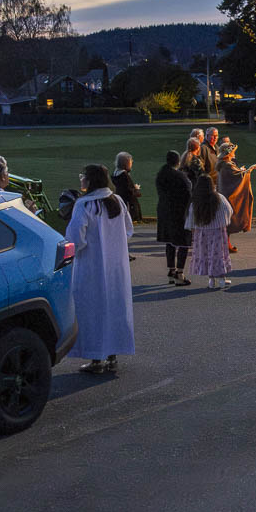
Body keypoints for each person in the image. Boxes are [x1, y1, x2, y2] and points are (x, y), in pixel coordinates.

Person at [66, 164, 135, 373]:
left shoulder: (84, 205)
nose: (81, 180)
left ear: (90, 180)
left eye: (83, 177)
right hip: (116, 267)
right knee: (114, 307)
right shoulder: (117, 202)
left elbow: (76, 238)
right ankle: (113, 354)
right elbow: (128, 230)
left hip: (91, 266)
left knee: (92, 310)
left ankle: (96, 357)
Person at [185, 175, 233, 289]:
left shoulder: (195, 200)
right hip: (217, 232)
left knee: (205, 255)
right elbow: (229, 211)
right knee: (218, 254)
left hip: (201, 233)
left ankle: (211, 280)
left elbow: (191, 218)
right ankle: (221, 279)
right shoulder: (219, 198)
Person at [156, 150, 193, 286]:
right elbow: (188, 192)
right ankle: (180, 273)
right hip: (179, 212)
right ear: (178, 161)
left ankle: (171, 270)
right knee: (183, 242)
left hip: (164, 210)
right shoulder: (179, 176)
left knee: (170, 242)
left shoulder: (161, 174)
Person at [216, 142, 256, 251]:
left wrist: (241, 170)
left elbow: (235, 174)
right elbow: (239, 176)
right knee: (229, 221)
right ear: (228, 153)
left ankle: (226, 244)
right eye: (233, 152)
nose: (234, 154)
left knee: (226, 221)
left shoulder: (224, 163)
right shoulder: (227, 165)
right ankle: (225, 245)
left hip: (224, 194)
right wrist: (250, 169)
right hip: (229, 196)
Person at [111, 151, 143, 222]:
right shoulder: (124, 175)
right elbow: (128, 191)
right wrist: (136, 190)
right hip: (127, 203)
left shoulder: (115, 173)